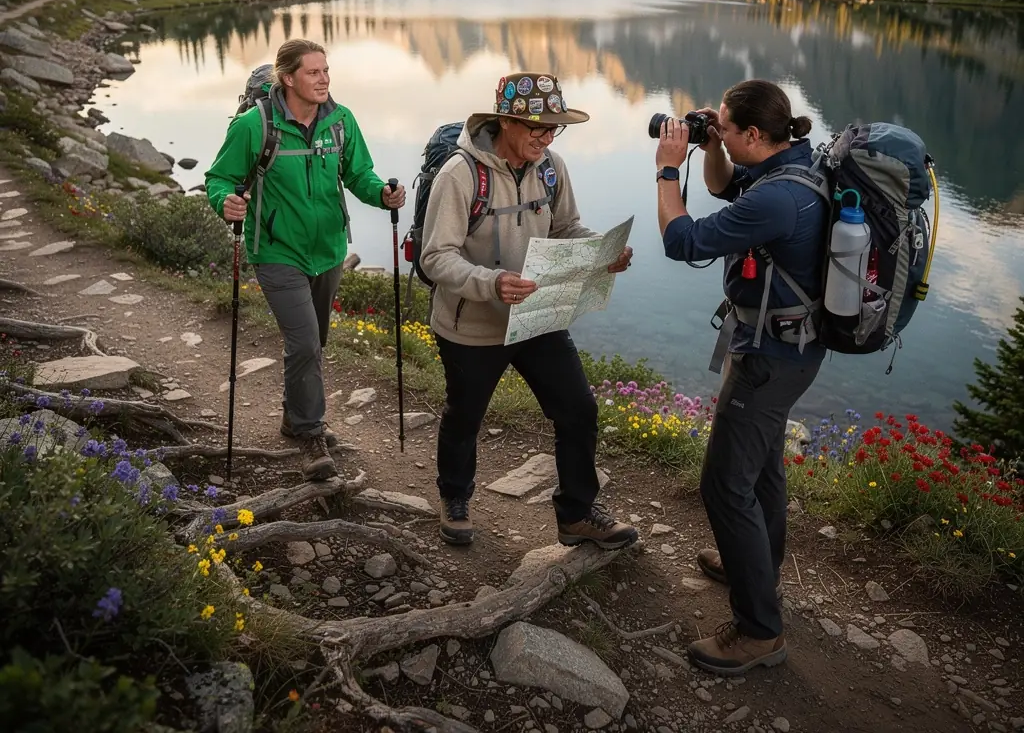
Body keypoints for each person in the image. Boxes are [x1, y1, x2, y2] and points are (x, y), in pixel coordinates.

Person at [420, 71, 638, 550]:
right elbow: (435, 257)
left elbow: (566, 229)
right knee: (465, 415)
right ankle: (455, 499)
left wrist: (602, 252)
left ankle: (577, 513)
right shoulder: (460, 174)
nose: (546, 136)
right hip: (470, 323)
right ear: (505, 122)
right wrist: (491, 283)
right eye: (536, 127)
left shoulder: (552, 167)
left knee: (578, 409)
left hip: (537, 315)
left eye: (553, 128)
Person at [655, 79, 827, 676]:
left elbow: (682, 239)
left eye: (726, 129)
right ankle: (754, 562)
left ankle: (759, 632)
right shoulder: (794, 167)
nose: (718, 134)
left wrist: (666, 171)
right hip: (792, 349)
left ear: (755, 135)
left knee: (725, 484)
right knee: (764, 469)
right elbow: (728, 186)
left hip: (769, 358)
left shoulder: (779, 200)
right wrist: (709, 146)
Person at [206, 38, 405, 482]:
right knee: (304, 342)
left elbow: (358, 173)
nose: (324, 79)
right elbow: (219, 177)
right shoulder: (253, 126)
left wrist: (382, 194)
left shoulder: (340, 120)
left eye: (326, 70)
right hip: (277, 250)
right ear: (288, 78)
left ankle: (294, 416)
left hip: (329, 250)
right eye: (313, 72)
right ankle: (311, 433)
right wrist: (225, 202)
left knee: (316, 342)